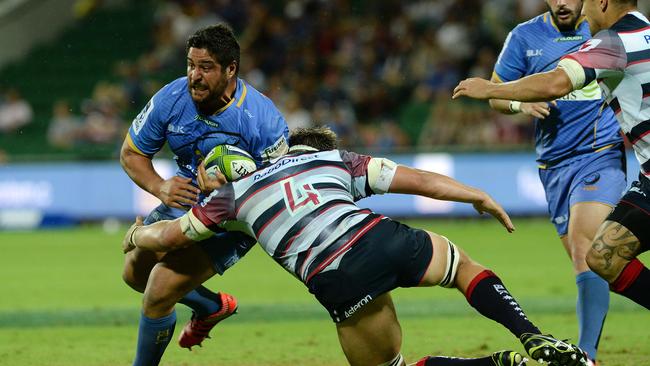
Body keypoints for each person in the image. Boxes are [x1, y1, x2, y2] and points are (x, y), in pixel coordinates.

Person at [122, 127, 589, 366]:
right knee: (462, 267)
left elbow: (165, 237)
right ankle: (529, 335)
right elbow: (420, 180)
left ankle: (497, 365)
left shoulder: (233, 199)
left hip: (335, 278)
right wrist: (477, 195)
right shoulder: (337, 159)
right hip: (381, 239)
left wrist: (136, 234)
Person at [453, 0, 650, 312]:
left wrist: (489, 89)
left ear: (602, 3)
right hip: (639, 177)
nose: (581, 11)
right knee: (602, 255)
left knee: (596, 250)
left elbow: (555, 82)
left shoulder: (613, 41)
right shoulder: (644, 32)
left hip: (603, 157)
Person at [120, 23, 289, 365]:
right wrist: (160, 186)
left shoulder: (262, 119)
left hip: (233, 219)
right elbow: (131, 153)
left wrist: (231, 190)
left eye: (206, 68)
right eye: (190, 65)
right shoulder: (172, 97)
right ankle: (211, 306)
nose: (194, 76)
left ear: (231, 69)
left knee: (158, 291)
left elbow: (280, 188)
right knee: (134, 275)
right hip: (185, 197)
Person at [484, 1, 627, 363]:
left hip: (601, 152)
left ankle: (587, 355)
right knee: (584, 262)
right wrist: (520, 106)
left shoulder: (602, 30)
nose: (562, 2)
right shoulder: (524, 36)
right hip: (553, 167)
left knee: (586, 246)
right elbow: (496, 93)